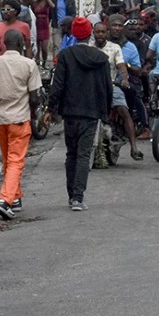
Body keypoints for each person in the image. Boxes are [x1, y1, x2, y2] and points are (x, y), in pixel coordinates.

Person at [43, 17, 112, 211]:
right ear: (90, 34)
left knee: (71, 153)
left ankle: (71, 194)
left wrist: (50, 109)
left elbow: (58, 85)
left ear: (73, 34)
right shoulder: (102, 59)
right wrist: (106, 112)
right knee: (84, 154)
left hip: (71, 112)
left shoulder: (66, 56)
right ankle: (78, 198)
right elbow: (107, 87)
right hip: (91, 112)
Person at [0, 29, 41, 220]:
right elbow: (34, 97)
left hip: (0, 119)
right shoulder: (29, 64)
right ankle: (5, 200)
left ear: (3, 44)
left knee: (8, 160)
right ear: (21, 44)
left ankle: (15, 197)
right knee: (16, 161)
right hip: (19, 119)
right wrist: (34, 113)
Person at [92, 21, 141, 162]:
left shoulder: (115, 48)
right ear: (93, 33)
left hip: (111, 86)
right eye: (98, 32)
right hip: (91, 88)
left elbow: (121, 66)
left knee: (123, 111)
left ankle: (134, 147)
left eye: (103, 32)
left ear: (106, 33)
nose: (100, 34)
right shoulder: (89, 47)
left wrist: (124, 79)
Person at [32, 0, 54, 67]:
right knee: (36, 47)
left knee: (44, 48)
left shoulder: (46, 2)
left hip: (45, 26)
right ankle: (37, 63)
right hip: (37, 25)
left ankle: (44, 63)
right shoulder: (34, 3)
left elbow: (53, 6)